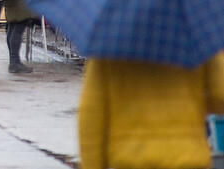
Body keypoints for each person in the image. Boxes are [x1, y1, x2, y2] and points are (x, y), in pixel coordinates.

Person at [78, 53, 224, 169]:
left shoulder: (107, 49)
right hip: (186, 158)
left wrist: (92, 165)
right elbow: (220, 97)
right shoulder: (197, 43)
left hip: (132, 159)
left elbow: (91, 116)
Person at [4, 0, 40, 74]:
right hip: (21, 2)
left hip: (12, 0)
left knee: (12, 28)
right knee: (17, 30)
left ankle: (13, 60)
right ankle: (14, 62)